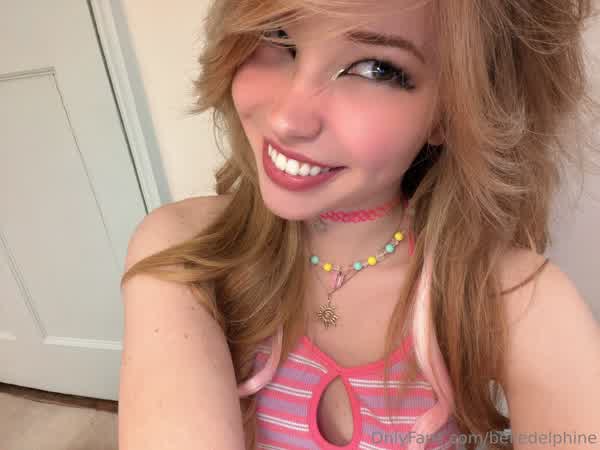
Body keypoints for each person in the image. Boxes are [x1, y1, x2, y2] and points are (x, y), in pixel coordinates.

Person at [117, 1, 600, 449]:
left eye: (376, 69)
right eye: (277, 35)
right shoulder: (189, 248)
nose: (288, 120)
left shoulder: (513, 301)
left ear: (450, 111)